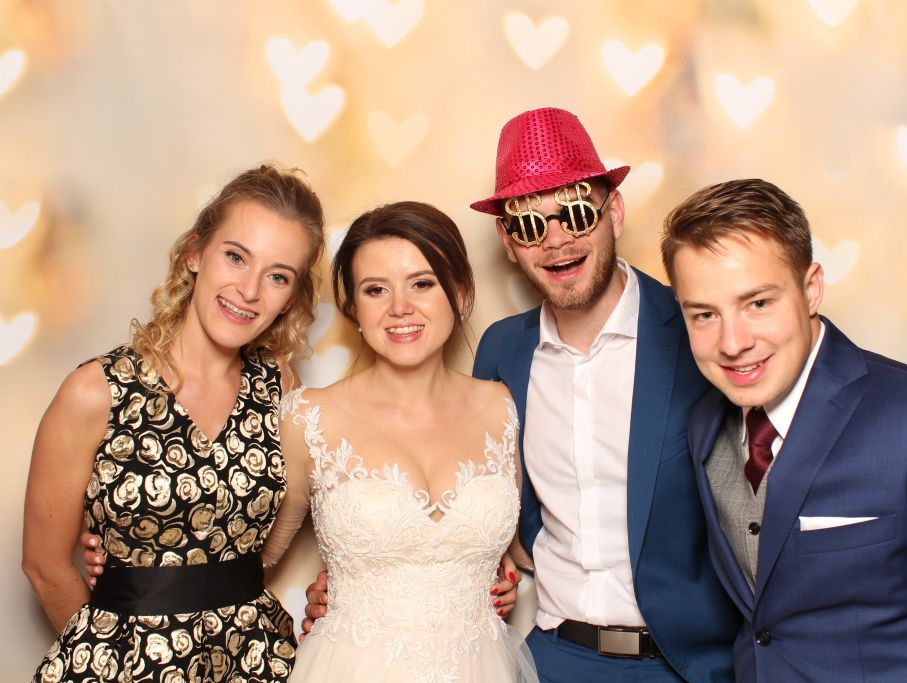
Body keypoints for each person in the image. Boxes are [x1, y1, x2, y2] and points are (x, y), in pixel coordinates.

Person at [303, 109, 739, 681]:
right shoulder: (504, 352)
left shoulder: (696, 331)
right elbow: (481, 495)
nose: (556, 240)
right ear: (508, 243)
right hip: (554, 660)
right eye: (530, 226)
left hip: (685, 666)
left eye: (576, 214)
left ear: (614, 212)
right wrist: (363, 576)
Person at [660, 178, 907, 681]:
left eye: (758, 303)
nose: (733, 342)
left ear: (811, 288)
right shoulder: (705, 424)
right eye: (704, 314)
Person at [23, 164, 326, 682]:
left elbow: (285, 523)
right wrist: (109, 655)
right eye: (235, 257)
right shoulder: (95, 392)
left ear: (291, 298)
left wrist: (344, 584)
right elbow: (45, 567)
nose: (249, 290)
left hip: (253, 660)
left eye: (277, 276)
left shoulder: (279, 385)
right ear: (194, 252)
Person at [258, 201, 537, 682]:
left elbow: (517, 549)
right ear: (353, 308)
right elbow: (251, 558)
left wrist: (505, 577)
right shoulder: (309, 417)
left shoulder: (501, 406)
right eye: (376, 290)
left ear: (460, 292)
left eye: (422, 284)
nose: (400, 308)